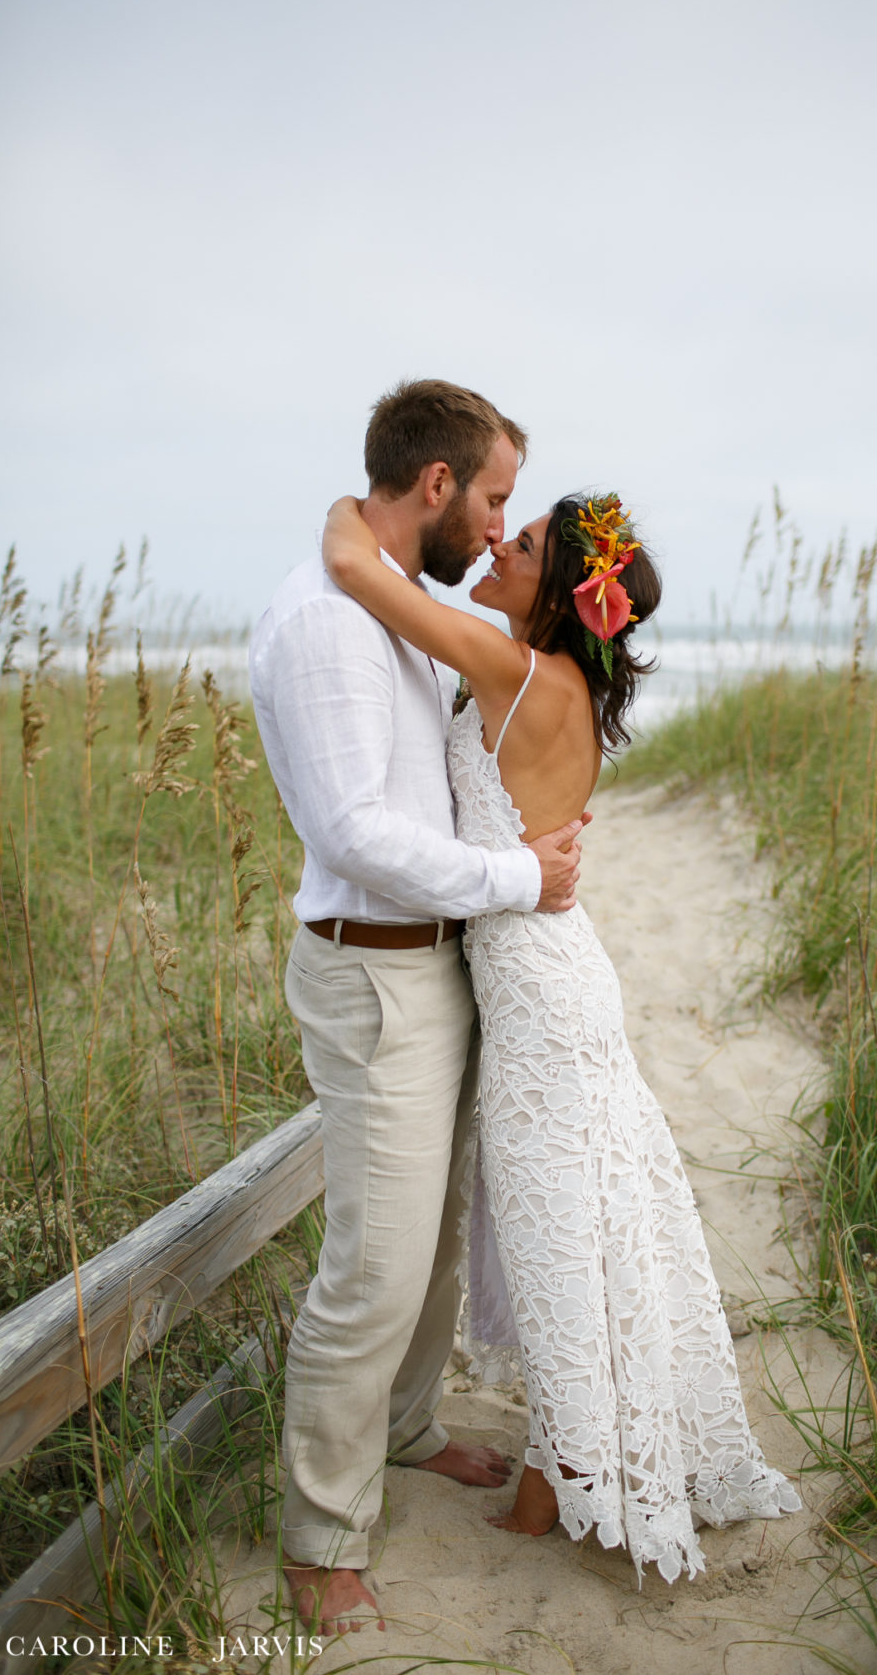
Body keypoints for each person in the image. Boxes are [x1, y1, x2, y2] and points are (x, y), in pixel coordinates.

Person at [321, 488, 801, 1586]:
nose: (498, 540)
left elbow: (362, 575)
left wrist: (359, 507)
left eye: (522, 540)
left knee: (553, 1241)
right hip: (553, 975)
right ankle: (552, 1478)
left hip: (541, 997)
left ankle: (557, 1487)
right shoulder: (560, 683)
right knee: (571, 1233)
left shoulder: (516, 669)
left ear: (558, 594)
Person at [249, 380, 592, 1638]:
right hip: (372, 966)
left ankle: (403, 1429)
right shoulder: (330, 626)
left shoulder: (400, 611)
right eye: (493, 494)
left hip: (439, 964)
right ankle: (320, 1537)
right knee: (373, 1264)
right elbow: (353, 831)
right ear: (436, 485)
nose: (498, 523)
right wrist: (520, 877)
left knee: (433, 1233)